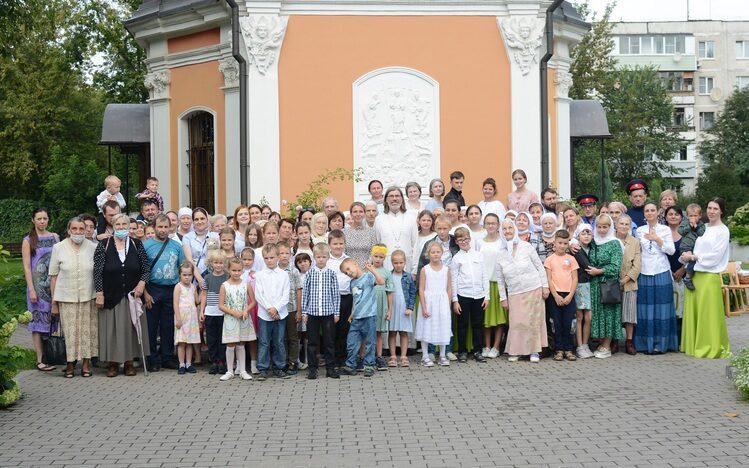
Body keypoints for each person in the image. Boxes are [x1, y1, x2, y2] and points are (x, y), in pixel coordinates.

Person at [94, 213, 150, 377]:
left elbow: (146, 268)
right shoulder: (104, 244)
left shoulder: (136, 244)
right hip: (111, 294)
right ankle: (112, 363)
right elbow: (97, 271)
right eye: (117, 225)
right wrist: (99, 293)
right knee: (112, 330)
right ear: (112, 226)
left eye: (124, 225)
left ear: (128, 227)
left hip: (132, 295)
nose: (121, 228)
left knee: (130, 330)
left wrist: (141, 284)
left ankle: (129, 362)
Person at [680, 198, 731, 359]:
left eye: (715, 208)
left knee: (708, 314)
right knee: (694, 312)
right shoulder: (703, 227)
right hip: (694, 275)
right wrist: (686, 255)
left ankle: (710, 346)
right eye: (709, 208)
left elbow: (715, 256)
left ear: (721, 211)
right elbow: (690, 242)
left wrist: (694, 257)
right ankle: (693, 345)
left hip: (708, 277)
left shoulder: (723, 231)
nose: (711, 211)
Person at [48, 216, 97, 378]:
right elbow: (53, 276)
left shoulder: (93, 247)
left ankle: (85, 364)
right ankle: (69, 364)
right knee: (70, 332)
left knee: (87, 332)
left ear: (86, 230)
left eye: (81, 229)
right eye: (74, 229)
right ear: (68, 231)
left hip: (88, 297)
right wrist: (54, 303)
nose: (78, 232)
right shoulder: (58, 247)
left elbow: (98, 274)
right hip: (66, 297)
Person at [495, 219, 549, 363]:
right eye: (504, 229)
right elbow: (500, 279)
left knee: (533, 321)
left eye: (510, 228)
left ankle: (534, 351)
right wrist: (503, 298)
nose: (507, 231)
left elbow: (539, 266)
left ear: (515, 229)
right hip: (514, 292)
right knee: (517, 322)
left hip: (533, 288)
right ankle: (517, 351)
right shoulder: (500, 254)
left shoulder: (526, 247)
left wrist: (545, 286)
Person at [142, 214, 185, 371]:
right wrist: (145, 293)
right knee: (151, 326)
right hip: (152, 288)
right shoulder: (146, 246)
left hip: (171, 289)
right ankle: (152, 358)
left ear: (170, 228)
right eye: (159, 227)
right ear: (154, 228)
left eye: (166, 227)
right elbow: (141, 271)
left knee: (168, 326)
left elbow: (182, 268)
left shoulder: (176, 246)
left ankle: (167, 357)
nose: (163, 230)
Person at [635, 201, 678, 354]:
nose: (650, 213)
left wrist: (657, 239)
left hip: (661, 270)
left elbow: (671, 251)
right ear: (644, 214)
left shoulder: (665, 229)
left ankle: (662, 343)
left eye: (653, 210)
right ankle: (645, 343)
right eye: (647, 210)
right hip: (644, 271)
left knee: (662, 308)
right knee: (645, 308)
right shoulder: (639, 230)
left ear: (657, 213)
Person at [22, 208, 60, 372]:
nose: (42, 221)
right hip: (37, 287)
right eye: (39, 218)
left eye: (45, 218)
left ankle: (53, 355)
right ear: (33, 220)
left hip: (53, 286)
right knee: (38, 324)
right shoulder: (29, 240)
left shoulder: (55, 237)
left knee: (53, 320)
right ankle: (40, 360)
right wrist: (31, 289)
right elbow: (27, 268)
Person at [339, 257, 386, 377]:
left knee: (370, 341)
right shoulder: (352, 283)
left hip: (369, 316)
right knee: (352, 342)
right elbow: (355, 300)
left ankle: (369, 365)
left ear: (355, 264)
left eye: (348, 269)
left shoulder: (368, 277)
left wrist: (372, 270)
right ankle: (350, 365)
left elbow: (381, 282)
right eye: (346, 272)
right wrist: (352, 314)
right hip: (356, 318)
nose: (348, 273)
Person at [450, 227, 489, 363]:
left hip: (478, 295)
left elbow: (485, 276)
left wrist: (487, 296)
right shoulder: (456, 258)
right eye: (460, 240)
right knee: (462, 325)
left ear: (470, 239)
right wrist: (455, 300)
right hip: (463, 295)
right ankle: (462, 351)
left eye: (466, 239)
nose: (464, 242)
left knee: (478, 325)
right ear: (456, 242)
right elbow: (453, 279)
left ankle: (478, 351)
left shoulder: (479, 255)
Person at [301, 243, 340, 379]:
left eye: (324, 257)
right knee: (312, 342)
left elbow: (335, 294)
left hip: (328, 313)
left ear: (328, 257)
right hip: (312, 313)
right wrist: (304, 312)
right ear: (314, 258)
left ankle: (330, 368)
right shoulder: (310, 273)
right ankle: (312, 368)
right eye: (318, 257)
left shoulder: (331, 274)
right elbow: (306, 293)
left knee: (329, 342)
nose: (321, 259)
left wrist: (336, 312)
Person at [586, 214, 623, 359]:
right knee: (597, 314)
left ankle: (607, 346)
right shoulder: (593, 242)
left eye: (605, 227)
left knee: (608, 314)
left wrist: (599, 271)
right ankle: (601, 343)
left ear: (610, 227)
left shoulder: (614, 243)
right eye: (599, 227)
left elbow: (615, 266)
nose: (601, 230)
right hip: (594, 285)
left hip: (607, 284)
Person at [254, 244, 291, 381]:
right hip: (264, 314)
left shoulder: (284, 275)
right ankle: (263, 367)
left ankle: (279, 367)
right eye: (266, 258)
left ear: (278, 257)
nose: (269, 260)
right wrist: (269, 308)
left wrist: (276, 309)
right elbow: (259, 295)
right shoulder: (260, 275)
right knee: (264, 341)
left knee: (279, 341)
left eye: (272, 257)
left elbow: (285, 296)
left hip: (280, 313)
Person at [415, 241, 453, 367]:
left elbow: (448, 288)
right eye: (433, 252)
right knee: (427, 327)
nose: (435, 255)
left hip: (442, 302)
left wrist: (447, 304)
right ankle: (425, 355)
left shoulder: (446, 269)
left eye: (438, 252)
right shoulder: (425, 270)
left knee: (443, 327)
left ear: (442, 253)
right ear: (428, 254)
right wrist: (424, 307)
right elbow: (421, 289)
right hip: (429, 301)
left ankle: (442, 355)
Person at [218, 256, 256, 381]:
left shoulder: (246, 284)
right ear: (229, 270)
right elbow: (221, 305)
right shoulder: (224, 286)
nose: (236, 273)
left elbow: (253, 302)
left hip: (244, 318)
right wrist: (233, 312)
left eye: (239, 270)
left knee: (241, 343)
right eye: (234, 270)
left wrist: (246, 310)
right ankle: (229, 371)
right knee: (231, 344)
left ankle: (243, 370)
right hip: (231, 318)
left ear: (242, 270)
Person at [544, 230, 579, 362]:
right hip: (555, 296)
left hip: (569, 295)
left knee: (569, 324)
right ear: (555, 242)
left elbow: (575, 278)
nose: (562, 246)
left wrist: (570, 295)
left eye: (565, 243)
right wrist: (556, 296)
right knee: (556, 324)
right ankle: (558, 349)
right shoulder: (549, 260)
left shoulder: (572, 259)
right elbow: (549, 279)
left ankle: (569, 349)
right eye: (560, 243)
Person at [374, 186, 417, 271]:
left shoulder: (411, 218)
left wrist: (414, 269)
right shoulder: (379, 219)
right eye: (391, 196)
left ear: (402, 199)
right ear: (386, 199)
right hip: (386, 265)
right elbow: (377, 243)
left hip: (407, 264)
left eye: (397, 196)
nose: (394, 199)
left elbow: (415, 244)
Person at [326, 230, 352, 368]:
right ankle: (331, 359)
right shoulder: (326, 261)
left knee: (344, 328)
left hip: (346, 297)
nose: (338, 246)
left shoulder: (348, 259)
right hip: (330, 298)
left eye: (341, 243)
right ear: (329, 244)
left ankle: (342, 358)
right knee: (331, 330)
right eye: (335, 244)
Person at [616, 214, 641, 356]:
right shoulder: (611, 239)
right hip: (612, 283)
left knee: (630, 314)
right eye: (622, 224)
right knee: (614, 313)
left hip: (630, 282)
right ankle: (613, 341)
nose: (624, 227)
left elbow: (637, 265)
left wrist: (625, 279)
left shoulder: (635, 242)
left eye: (627, 224)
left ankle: (629, 341)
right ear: (617, 225)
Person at [201, 249, 228, 375]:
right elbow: (204, 294)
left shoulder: (227, 277)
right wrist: (202, 310)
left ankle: (222, 361)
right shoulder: (207, 277)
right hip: (210, 312)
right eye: (216, 262)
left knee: (222, 338)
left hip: (223, 313)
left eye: (221, 263)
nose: (218, 265)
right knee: (211, 338)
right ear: (211, 263)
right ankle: (214, 361)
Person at [387, 249, 416, 367]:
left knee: (403, 333)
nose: (398, 265)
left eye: (401, 263)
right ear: (392, 263)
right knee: (392, 332)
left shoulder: (408, 277)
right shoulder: (388, 275)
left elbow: (413, 292)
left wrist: (410, 307)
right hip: (392, 306)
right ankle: (393, 356)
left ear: (405, 263)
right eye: (396, 263)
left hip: (404, 306)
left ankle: (404, 356)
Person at [369, 244, 394, 371]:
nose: (378, 259)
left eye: (381, 257)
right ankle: (365, 357)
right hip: (368, 304)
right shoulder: (367, 270)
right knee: (367, 332)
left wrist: (389, 310)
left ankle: (379, 356)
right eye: (376, 256)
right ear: (371, 256)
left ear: (384, 258)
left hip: (381, 304)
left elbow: (390, 292)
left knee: (378, 332)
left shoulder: (387, 273)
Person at [277, 242, 301, 374]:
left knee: (292, 336)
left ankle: (293, 361)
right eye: (281, 253)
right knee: (281, 336)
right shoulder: (275, 270)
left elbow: (298, 290)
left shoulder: (294, 271)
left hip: (291, 308)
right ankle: (283, 361)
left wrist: (299, 310)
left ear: (291, 255)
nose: (284, 256)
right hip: (279, 309)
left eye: (287, 253)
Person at [173, 261, 200, 374]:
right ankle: (181, 364)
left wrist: (203, 292)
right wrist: (178, 318)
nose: (187, 277)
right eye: (184, 275)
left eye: (189, 275)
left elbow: (197, 301)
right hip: (182, 318)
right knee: (182, 342)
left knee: (190, 342)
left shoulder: (193, 287)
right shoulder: (178, 287)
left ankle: (189, 363)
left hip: (192, 318)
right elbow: (175, 303)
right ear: (180, 274)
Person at [572, 224, 594, 359]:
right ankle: (579, 345)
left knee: (589, 317)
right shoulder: (576, 249)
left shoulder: (592, 249)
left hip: (589, 285)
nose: (586, 236)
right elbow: (588, 267)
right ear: (578, 236)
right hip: (580, 285)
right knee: (580, 317)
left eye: (589, 233)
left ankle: (585, 344)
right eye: (583, 233)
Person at [664, 206, 686, 333]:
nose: (673, 216)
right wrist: (669, 271)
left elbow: (693, 252)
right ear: (665, 217)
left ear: (681, 217)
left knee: (681, 306)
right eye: (670, 214)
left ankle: (681, 336)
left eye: (676, 214)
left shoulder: (687, 234)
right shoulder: (662, 233)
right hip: (666, 274)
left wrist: (683, 269)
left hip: (682, 275)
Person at [182, 208, 219, 281]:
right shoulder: (187, 237)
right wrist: (200, 280)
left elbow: (218, 257)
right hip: (194, 277)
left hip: (213, 276)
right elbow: (189, 260)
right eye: (196, 219)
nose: (199, 221)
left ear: (207, 220)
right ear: (193, 222)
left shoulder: (215, 236)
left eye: (202, 218)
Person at [679, 204, 706, 291]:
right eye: (691, 216)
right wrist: (689, 226)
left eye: (695, 216)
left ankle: (686, 265)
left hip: (696, 249)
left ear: (700, 216)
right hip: (686, 247)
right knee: (691, 260)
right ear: (687, 216)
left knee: (693, 261)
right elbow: (680, 231)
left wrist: (696, 227)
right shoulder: (684, 223)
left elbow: (702, 234)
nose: (693, 218)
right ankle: (687, 278)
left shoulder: (701, 225)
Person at [344, 201, 377, 267]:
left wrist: (367, 266)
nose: (358, 214)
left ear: (364, 214)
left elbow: (373, 252)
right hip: (349, 270)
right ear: (351, 214)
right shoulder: (344, 233)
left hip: (367, 270)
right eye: (355, 212)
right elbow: (343, 253)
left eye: (361, 212)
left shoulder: (371, 232)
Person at [294, 252, 312, 369]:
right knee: (298, 334)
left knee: (308, 334)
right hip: (298, 307)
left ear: (310, 262)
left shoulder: (313, 274)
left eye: (305, 261)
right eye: (300, 262)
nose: (303, 264)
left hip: (310, 308)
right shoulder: (297, 276)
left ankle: (307, 358)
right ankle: (297, 359)